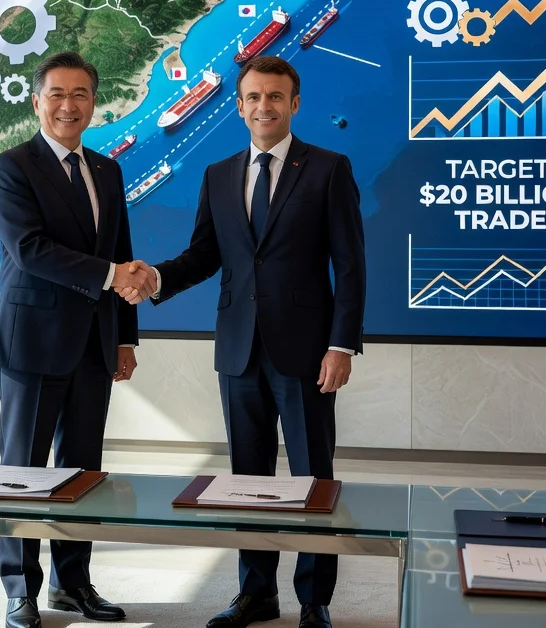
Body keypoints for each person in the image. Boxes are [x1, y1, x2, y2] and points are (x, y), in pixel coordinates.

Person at [122, 55, 366, 628]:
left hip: (307, 352)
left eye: (275, 97)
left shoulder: (329, 168)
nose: (264, 107)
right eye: (253, 97)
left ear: (294, 104)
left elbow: (350, 267)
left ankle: (314, 599)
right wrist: (156, 278)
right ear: (239, 105)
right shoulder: (218, 174)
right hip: (237, 351)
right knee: (246, 482)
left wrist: (342, 345)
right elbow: (206, 255)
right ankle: (257, 593)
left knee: (312, 478)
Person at [0, 51, 154, 628]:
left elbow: (120, 250)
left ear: (93, 103)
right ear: (37, 101)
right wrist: (111, 277)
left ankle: (71, 583)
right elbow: (27, 251)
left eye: (80, 94)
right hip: (31, 340)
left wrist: (125, 338)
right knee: (23, 473)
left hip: (93, 342)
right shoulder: (10, 167)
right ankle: (19, 590)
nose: (68, 105)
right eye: (57, 94)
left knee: (82, 471)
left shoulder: (107, 170)